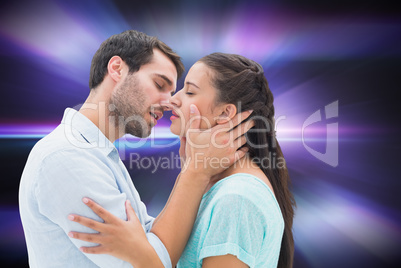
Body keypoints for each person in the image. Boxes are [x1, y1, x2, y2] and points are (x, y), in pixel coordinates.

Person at [19, 30, 253, 268]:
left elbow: (148, 237)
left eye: (173, 92)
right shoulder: (67, 158)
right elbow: (149, 262)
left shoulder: (100, 154)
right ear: (117, 69)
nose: (169, 101)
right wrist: (196, 172)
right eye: (159, 84)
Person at [68, 53, 296, 268]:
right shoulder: (222, 187)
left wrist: (138, 255)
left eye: (189, 91)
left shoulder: (236, 199)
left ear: (225, 114)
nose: (172, 100)